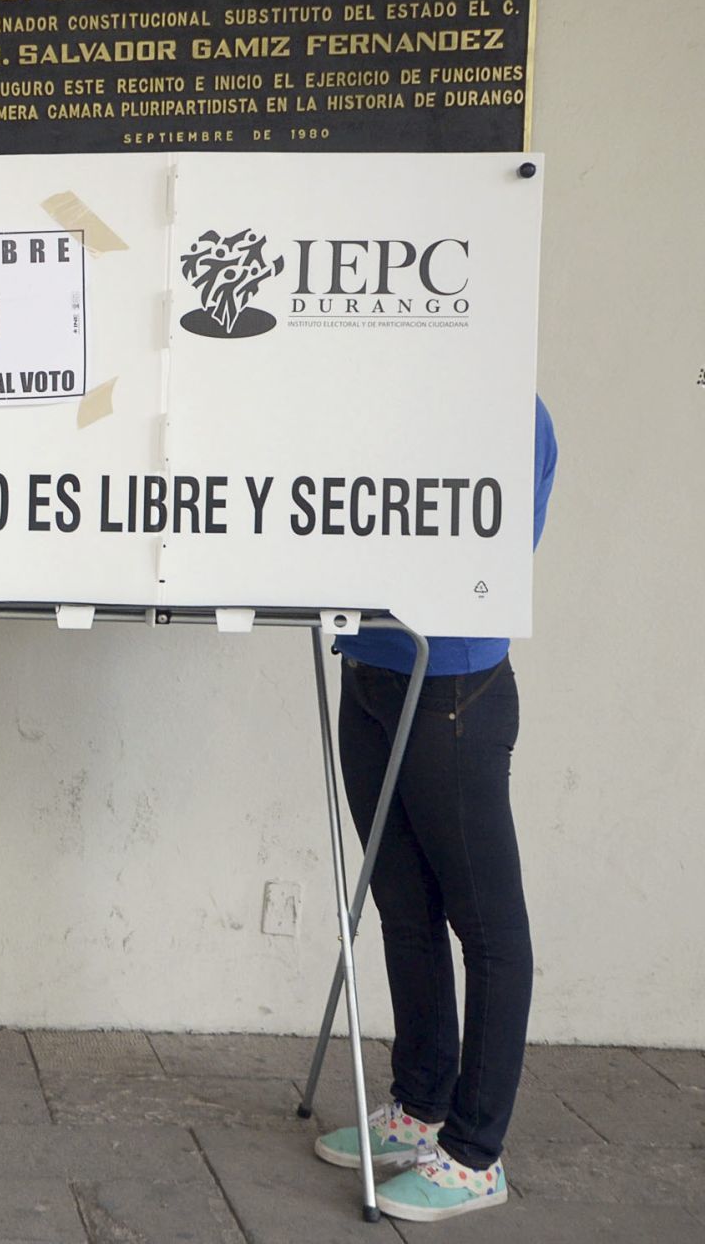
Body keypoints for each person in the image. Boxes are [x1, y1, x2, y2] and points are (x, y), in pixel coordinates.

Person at [312, 398, 558, 1224]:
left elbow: (487, 553)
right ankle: (420, 1104)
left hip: (452, 681)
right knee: (404, 908)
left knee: (486, 926)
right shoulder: (389, 387)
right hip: (372, 668)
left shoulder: (515, 411)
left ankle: (473, 1153)